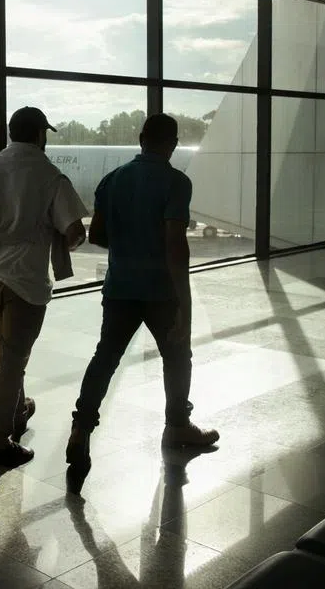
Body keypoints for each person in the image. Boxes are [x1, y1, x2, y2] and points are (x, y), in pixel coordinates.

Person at [66, 114, 219, 479]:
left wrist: (129, 238)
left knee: (105, 357)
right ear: (173, 143)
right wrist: (186, 303)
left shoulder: (112, 180)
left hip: (119, 286)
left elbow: (98, 236)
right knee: (177, 356)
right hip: (160, 291)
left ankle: (81, 427)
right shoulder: (176, 183)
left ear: (140, 139)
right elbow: (175, 246)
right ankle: (177, 426)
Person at [0, 107, 88, 468]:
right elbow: (75, 232)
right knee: (13, 359)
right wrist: (64, 241)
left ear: (11, 132)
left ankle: (15, 412)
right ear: (41, 134)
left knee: (9, 352)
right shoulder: (48, 174)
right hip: (25, 279)